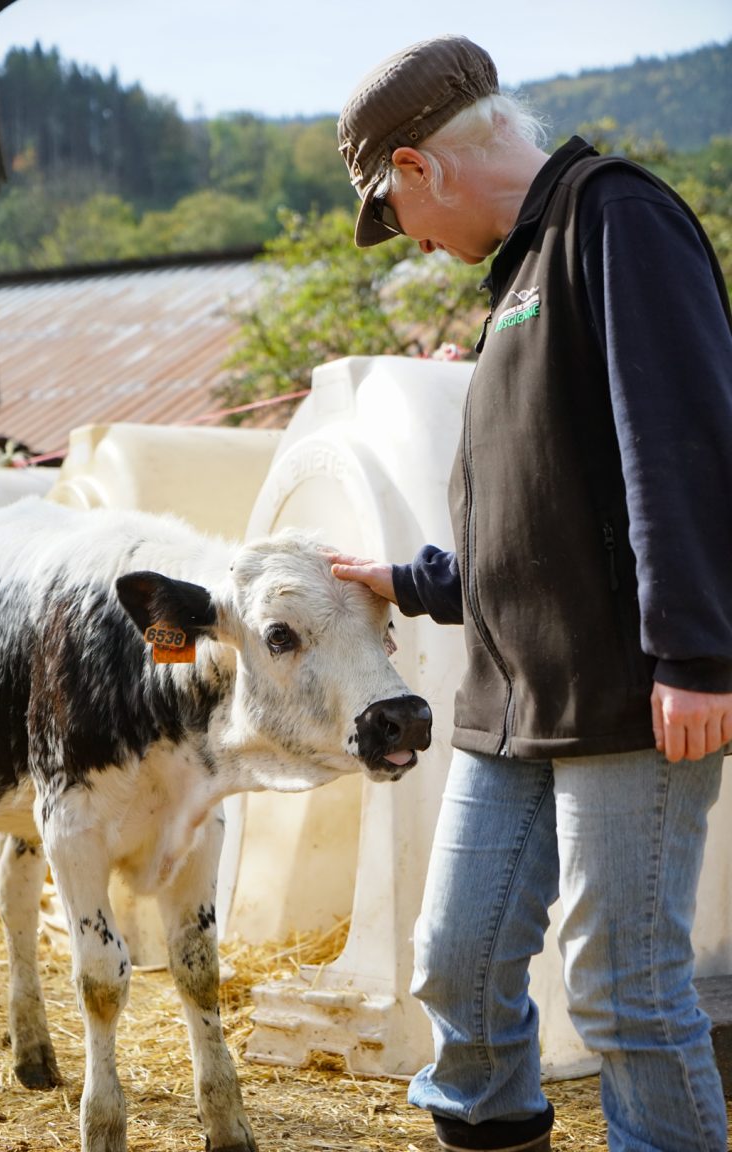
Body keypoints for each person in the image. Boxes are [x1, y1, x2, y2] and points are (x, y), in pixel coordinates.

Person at [332, 33, 732, 1152]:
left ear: (418, 169)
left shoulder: (616, 219)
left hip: (624, 690)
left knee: (624, 993)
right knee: (454, 962)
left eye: (393, 213)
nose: (409, 241)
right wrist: (413, 582)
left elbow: (683, 447)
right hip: (509, 700)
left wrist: (698, 657)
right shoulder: (520, 267)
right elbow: (539, 507)